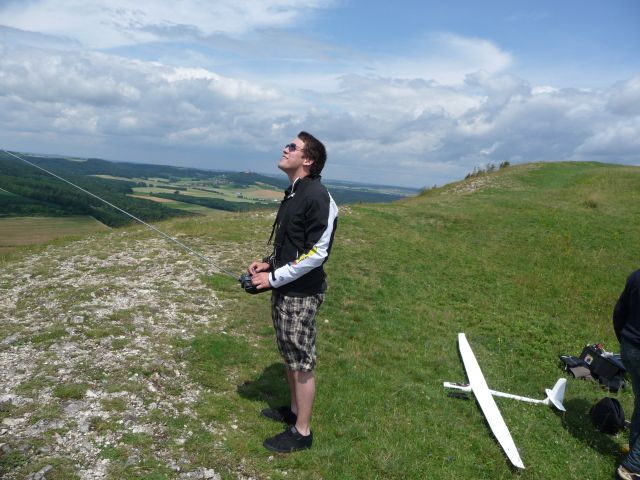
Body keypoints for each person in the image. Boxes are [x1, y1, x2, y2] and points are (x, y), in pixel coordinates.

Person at [247, 131, 338, 453]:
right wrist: (268, 264)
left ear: (308, 159)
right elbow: (292, 243)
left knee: (301, 361)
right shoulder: (295, 191)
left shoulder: (318, 196)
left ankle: (302, 432)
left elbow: (316, 253)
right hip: (286, 287)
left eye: (292, 147)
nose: (284, 149)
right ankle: (295, 411)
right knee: (289, 354)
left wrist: (273, 278)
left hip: (301, 293)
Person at [614, 269, 640, 480]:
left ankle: (634, 450)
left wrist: (625, 342)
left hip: (629, 347)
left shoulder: (636, 276)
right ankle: (632, 466)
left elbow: (619, 312)